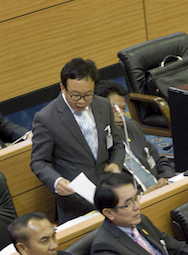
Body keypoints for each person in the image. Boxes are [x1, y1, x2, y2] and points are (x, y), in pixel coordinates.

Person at [30, 57, 124, 222]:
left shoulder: (102, 105)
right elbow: (38, 162)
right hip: (76, 203)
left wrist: (116, 163)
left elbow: (116, 144)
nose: (82, 102)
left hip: (109, 193)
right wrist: (56, 181)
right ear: (62, 88)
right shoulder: (46, 118)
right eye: (75, 96)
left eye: (88, 95)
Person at [94, 80, 174, 193]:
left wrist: (166, 179)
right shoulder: (96, 146)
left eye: (123, 109)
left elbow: (159, 160)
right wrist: (141, 195)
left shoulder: (131, 128)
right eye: (115, 109)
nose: (121, 115)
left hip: (163, 190)